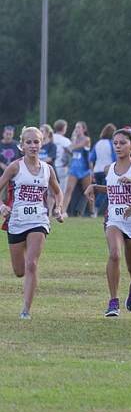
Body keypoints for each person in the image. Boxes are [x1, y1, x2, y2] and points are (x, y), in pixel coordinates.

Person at [0, 126, 66, 319]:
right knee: (19, 271)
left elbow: (58, 191)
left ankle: (26, 310)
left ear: (41, 144)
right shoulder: (15, 167)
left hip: (39, 220)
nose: (33, 145)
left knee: (32, 264)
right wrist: (2, 207)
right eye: (28, 142)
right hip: (16, 221)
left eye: (36, 141)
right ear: (21, 145)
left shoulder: (47, 169)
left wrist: (58, 208)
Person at [86, 128, 131, 317]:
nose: (118, 146)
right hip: (113, 219)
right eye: (115, 143)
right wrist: (94, 187)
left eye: (122, 143)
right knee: (114, 255)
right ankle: (113, 301)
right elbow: (112, 189)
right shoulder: (109, 168)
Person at [65, 121, 92, 217]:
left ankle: (92, 211)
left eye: (79, 127)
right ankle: (63, 211)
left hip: (84, 169)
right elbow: (71, 153)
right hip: (74, 168)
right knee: (68, 189)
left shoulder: (86, 139)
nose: (77, 129)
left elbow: (74, 147)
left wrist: (71, 146)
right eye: (76, 127)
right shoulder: (74, 140)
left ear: (84, 129)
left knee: (88, 191)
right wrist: (73, 141)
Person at [91, 122, 117, 213]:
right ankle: (95, 208)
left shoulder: (97, 144)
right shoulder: (112, 144)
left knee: (100, 190)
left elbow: (92, 158)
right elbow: (115, 158)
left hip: (97, 170)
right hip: (107, 170)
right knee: (105, 191)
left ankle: (104, 210)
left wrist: (92, 172)